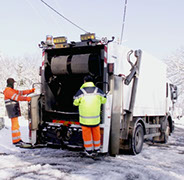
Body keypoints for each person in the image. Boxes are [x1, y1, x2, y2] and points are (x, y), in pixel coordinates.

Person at [73, 75, 107, 156]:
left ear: (84, 81)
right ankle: (97, 149)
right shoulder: (98, 90)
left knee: (87, 135)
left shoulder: (81, 91)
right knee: (96, 133)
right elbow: (104, 100)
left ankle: (89, 151)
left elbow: (75, 102)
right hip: (95, 119)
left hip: (85, 120)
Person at [3, 78, 35, 146]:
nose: (14, 84)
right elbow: (17, 97)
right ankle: (16, 140)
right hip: (12, 109)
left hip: (14, 109)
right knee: (15, 125)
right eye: (13, 83)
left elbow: (21, 92)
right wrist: (26, 99)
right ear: (11, 83)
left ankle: (18, 139)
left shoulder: (11, 90)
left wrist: (30, 91)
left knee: (16, 125)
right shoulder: (8, 91)